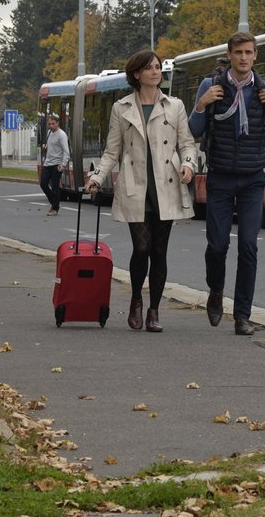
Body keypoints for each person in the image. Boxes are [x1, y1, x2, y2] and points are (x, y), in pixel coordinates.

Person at [188, 31, 265, 335]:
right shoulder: (210, 86)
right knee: (217, 245)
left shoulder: (264, 89)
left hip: (254, 178)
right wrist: (201, 105)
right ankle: (216, 291)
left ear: (255, 56)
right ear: (229, 55)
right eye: (238, 52)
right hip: (221, 176)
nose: (243, 58)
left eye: (248, 53)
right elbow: (193, 130)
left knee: (249, 246)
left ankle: (242, 315)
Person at [87, 49, 197, 332]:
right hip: (136, 186)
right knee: (142, 248)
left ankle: (154, 311)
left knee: (159, 252)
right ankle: (136, 299)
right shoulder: (121, 108)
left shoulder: (175, 106)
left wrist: (187, 165)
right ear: (136, 74)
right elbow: (112, 150)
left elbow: (186, 144)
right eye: (149, 68)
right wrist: (97, 177)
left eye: (158, 67)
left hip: (167, 186)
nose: (156, 72)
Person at [40, 114, 70, 216]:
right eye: (49, 124)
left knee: (54, 186)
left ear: (57, 123)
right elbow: (51, 145)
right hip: (48, 163)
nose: (51, 126)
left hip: (57, 164)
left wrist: (63, 164)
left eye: (53, 124)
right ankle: (55, 202)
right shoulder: (49, 133)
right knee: (43, 184)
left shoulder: (62, 135)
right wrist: (46, 146)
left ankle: (54, 207)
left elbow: (66, 151)